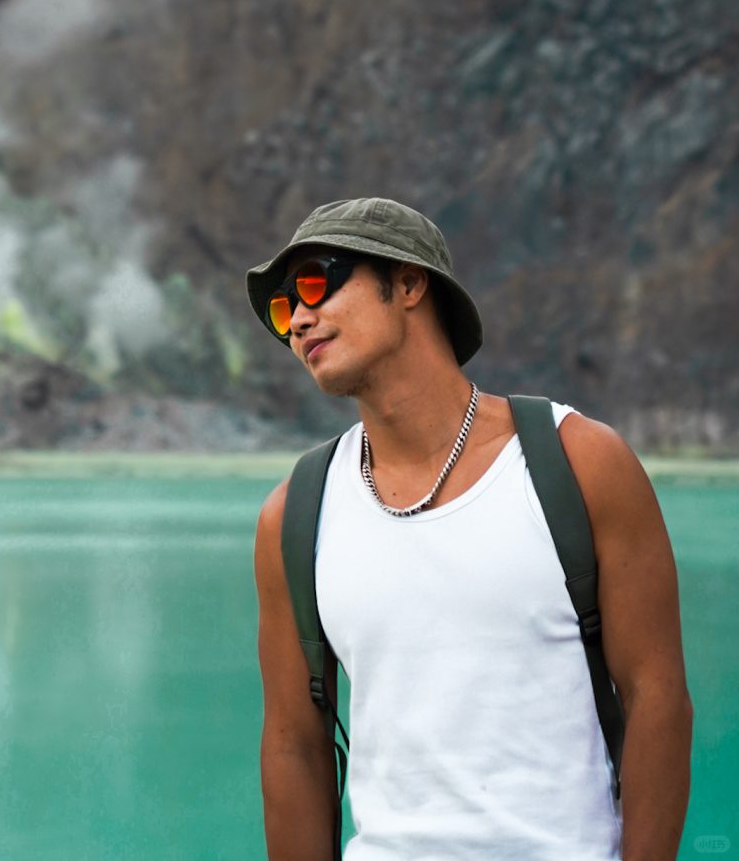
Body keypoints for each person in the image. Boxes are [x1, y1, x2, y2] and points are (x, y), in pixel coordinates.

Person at [250, 197, 692, 861]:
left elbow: (657, 698)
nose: (299, 319)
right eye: (284, 309)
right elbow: (294, 745)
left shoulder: (580, 462)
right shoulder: (294, 514)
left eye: (315, 281)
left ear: (407, 282)